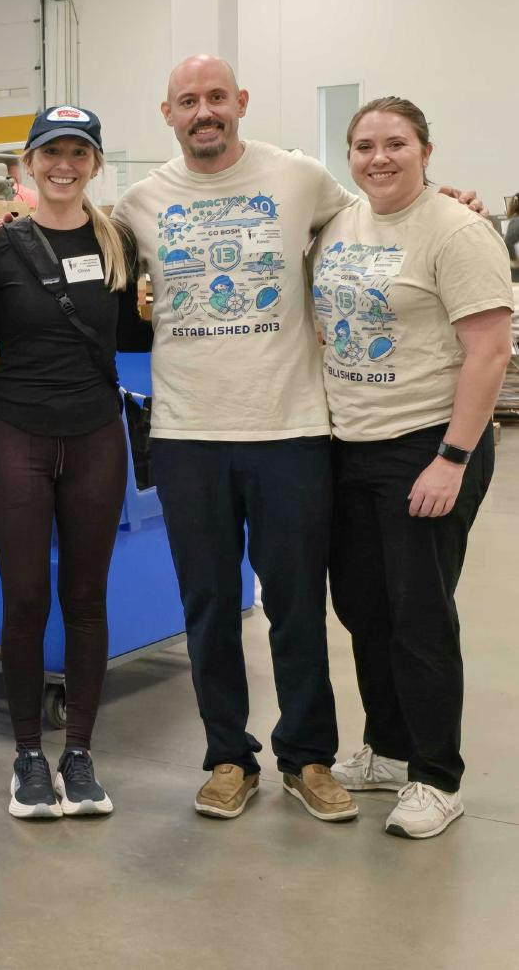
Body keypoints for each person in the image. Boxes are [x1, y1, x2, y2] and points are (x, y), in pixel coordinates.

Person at [111, 55, 482, 824]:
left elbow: (385, 212)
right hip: (186, 432)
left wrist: (450, 204)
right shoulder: (138, 202)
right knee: (208, 604)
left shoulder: (302, 177)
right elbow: (92, 263)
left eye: (217, 97)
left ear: (241, 103)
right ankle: (225, 756)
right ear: (167, 112)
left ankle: (308, 754)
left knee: (298, 605)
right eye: (188, 100)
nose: (204, 111)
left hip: (292, 429)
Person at [311, 97, 512, 839]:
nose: (378, 158)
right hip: (346, 444)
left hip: (426, 443)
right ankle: (390, 750)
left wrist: (452, 459)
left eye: (396, 143)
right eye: (364, 145)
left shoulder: (457, 229)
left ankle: (437, 774)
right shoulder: (340, 221)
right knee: (365, 607)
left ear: (427, 149)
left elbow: (490, 350)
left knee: (419, 613)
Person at [0, 106, 151, 819]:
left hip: (96, 434)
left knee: (88, 597)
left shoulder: (119, 241)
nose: (63, 164)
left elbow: (133, 334)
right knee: (26, 597)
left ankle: (81, 753)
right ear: (27, 165)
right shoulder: (3, 246)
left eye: (78, 152)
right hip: (17, 437)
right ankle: (29, 755)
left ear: (95, 164)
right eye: (50, 152)